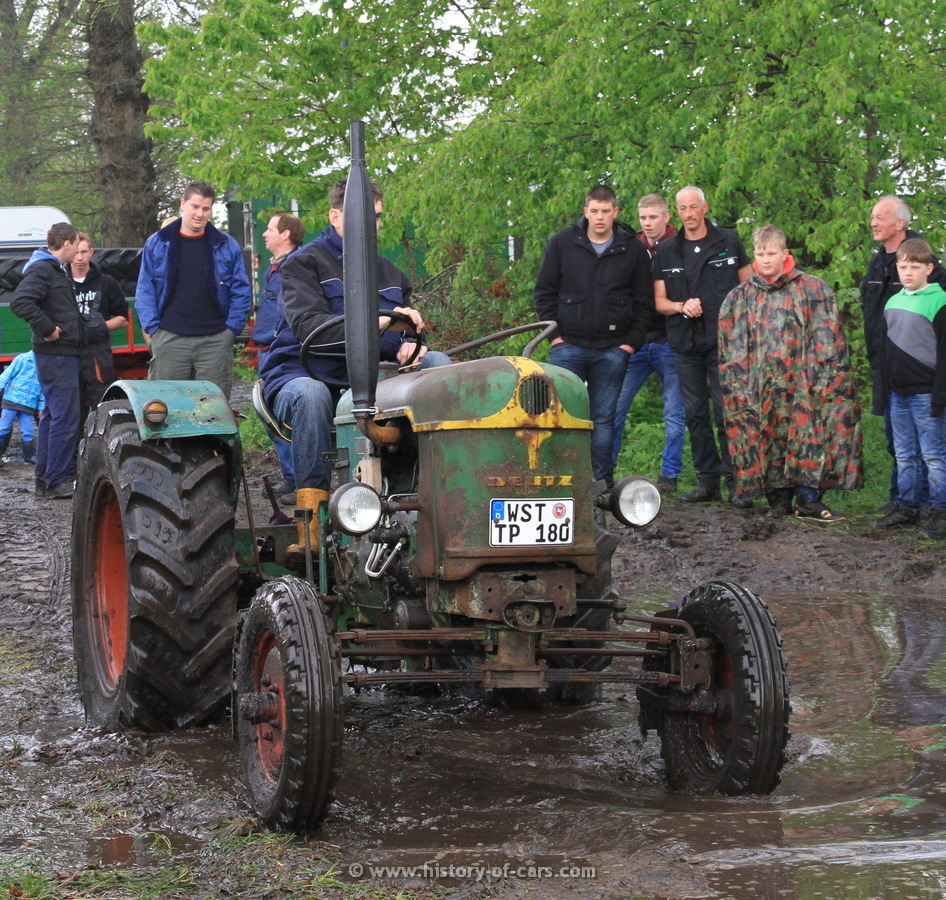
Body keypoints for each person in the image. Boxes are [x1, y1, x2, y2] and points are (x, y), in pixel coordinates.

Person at [258, 178, 451, 550]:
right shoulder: (303, 264)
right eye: (362, 216)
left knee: (438, 364)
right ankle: (311, 528)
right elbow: (312, 332)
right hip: (305, 372)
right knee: (311, 396)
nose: (372, 225)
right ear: (335, 217)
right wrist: (380, 322)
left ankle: (434, 498)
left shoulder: (391, 275)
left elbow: (406, 334)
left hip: (372, 377)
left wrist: (409, 346)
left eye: (376, 217)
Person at [718, 225, 862, 522]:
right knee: (768, 436)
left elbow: (829, 338)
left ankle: (809, 499)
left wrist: (825, 379)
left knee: (812, 437)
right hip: (762, 387)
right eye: (760, 254)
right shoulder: (741, 296)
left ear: (785, 253)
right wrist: (741, 384)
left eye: (771, 253)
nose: (765, 260)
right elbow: (730, 348)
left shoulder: (812, 289)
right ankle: (779, 499)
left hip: (804, 385)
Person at [534, 185, 653, 486]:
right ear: (585, 211)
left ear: (615, 212)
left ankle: (600, 483)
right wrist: (555, 337)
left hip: (613, 348)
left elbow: (644, 302)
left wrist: (629, 345)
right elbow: (544, 293)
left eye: (606, 211)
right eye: (595, 211)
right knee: (560, 414)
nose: (600, 217)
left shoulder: (632, 249)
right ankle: (559, 478)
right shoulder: (563, 242)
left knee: (603, 418)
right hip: (567, 346)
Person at [653, 186, 753, 507]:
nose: (688, 214)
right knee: (696, 414)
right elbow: (659, 301)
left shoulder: (728, 241)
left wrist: (744, 330)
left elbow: (749, 288)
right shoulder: (666, 250)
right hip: (685, 343)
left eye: (693, 207)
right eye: (683, 209)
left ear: (705, 208)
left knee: (727, 412)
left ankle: (737, 483)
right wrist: (681, 306)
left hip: (725, 343)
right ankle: (707, 481)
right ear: (677, 212)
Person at [861, 196, 946, 512]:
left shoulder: (924, 262)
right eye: (873, 217)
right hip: (888, 368)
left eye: (880, 217)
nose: (873, 223)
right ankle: (902, 500)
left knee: (931, 449)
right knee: (899, 442)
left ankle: (930, 505)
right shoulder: (878, 262)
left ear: (900, 223)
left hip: (922, 377)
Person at [134, 181, 252, 399]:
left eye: (206, 208)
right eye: (195, 207)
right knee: (167, 408)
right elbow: (145, 291)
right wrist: (154, 331)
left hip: (215, 341)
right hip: (169, 339)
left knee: (213, 409)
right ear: (183, 204)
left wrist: (230, 331)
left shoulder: (226, 245)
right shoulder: (157, 243)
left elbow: (241, 291)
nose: (200, 214)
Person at [610, 193, 684, 493]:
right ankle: (604, 472)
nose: (648, 223)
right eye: (643, 218)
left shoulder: (681, 246)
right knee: (614, 408)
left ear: (667, 217)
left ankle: (670, 475)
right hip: (637, 341)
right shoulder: (631, 247)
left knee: (674, 412)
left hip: (671, 339)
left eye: (653, 217)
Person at [874, 239, 946, 538]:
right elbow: (884, 352)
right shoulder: (892, 302)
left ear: (928, 268)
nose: (908, 273)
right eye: (903, 267)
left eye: (915, 267)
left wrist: (940, 396)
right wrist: (883, 392)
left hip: (927, 393)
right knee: (904, 454)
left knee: (934, 455)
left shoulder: (940, 302)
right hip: (897, 393)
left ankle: (940, 513)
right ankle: (907, 507)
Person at [10, 222, 82, 498]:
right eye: (76, 244)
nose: (78, 251)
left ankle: (45, 480)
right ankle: (57, 481)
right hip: (56, 353)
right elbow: (21, 302)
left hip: (58, 353)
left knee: (53, 416)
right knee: (65, 418)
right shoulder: (44, 269)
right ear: (67, 243)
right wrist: (48, 329)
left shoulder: (53, 269)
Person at [252, 212, 304, 506]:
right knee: (270, 416)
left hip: (280, 352)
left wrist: (276, 340)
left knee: (285, 416)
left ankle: (301, 482)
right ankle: (292, 478)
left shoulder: (296, 266)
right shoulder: (273, 268)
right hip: (266, 350)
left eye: (270, 229)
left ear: (285, 234)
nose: (264, 234)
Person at [70, 232, 129, 408]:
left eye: (83, 252)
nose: (79, 258)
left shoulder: (106, 282)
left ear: (91, 252)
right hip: (69, 352)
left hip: (98, 354)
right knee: (72, 409)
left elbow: (123, 319)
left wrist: (97, 327)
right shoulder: (60, 283)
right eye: (75, 252)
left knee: (103, 407)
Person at [0, 350, 45, 465]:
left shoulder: (44, 366)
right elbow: (6, 375)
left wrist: (41, 407)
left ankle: (29, 455)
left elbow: (42, 390)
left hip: (28, 404)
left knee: (28, 430)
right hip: (12, 400)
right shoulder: (23, 359)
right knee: (3, 428)